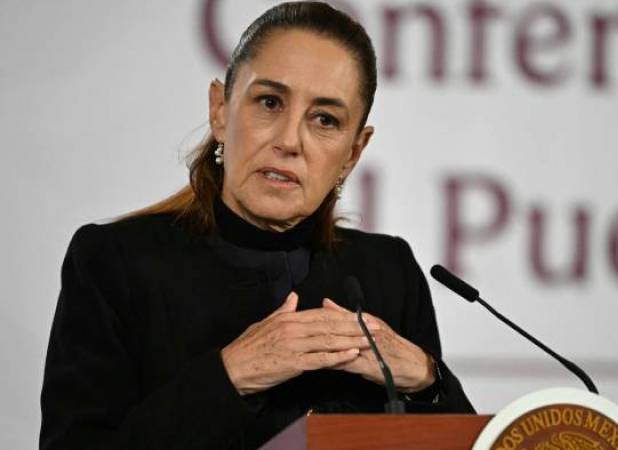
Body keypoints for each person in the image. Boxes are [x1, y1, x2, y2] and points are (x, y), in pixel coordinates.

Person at [39, 2, 474, 449]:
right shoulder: (116, 263)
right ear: (220, 110)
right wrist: (230, 375)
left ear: (352, 152)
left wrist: (427, 381)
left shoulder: (387, 271)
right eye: (269, 102)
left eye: (325, 120)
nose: (289, 141)